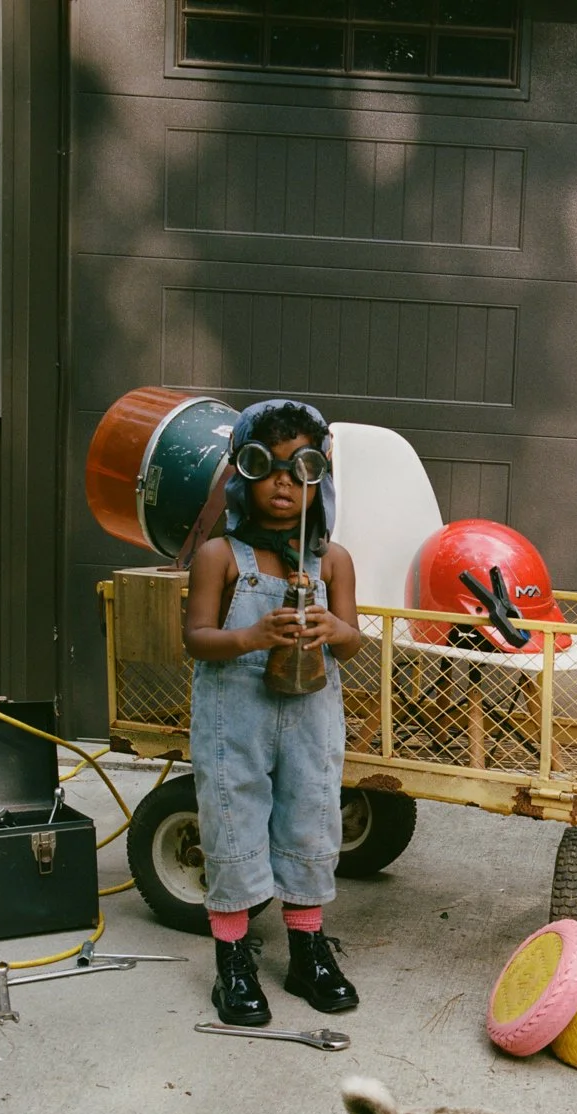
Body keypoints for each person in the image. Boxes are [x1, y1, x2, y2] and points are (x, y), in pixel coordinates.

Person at [184, 399, 363, 1025]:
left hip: (311, 715)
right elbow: (196, 639)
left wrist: (333, 626)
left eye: (300, 469)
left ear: (320, 477)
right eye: (267, 468)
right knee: (233, 819)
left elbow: (354, 640)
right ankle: (231, 959)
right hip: (236, 715)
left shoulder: (332, 560)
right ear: (242, 473)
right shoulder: (219, 557)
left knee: (310, 816)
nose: (283, 484)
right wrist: (251, 637)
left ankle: (307, 950)